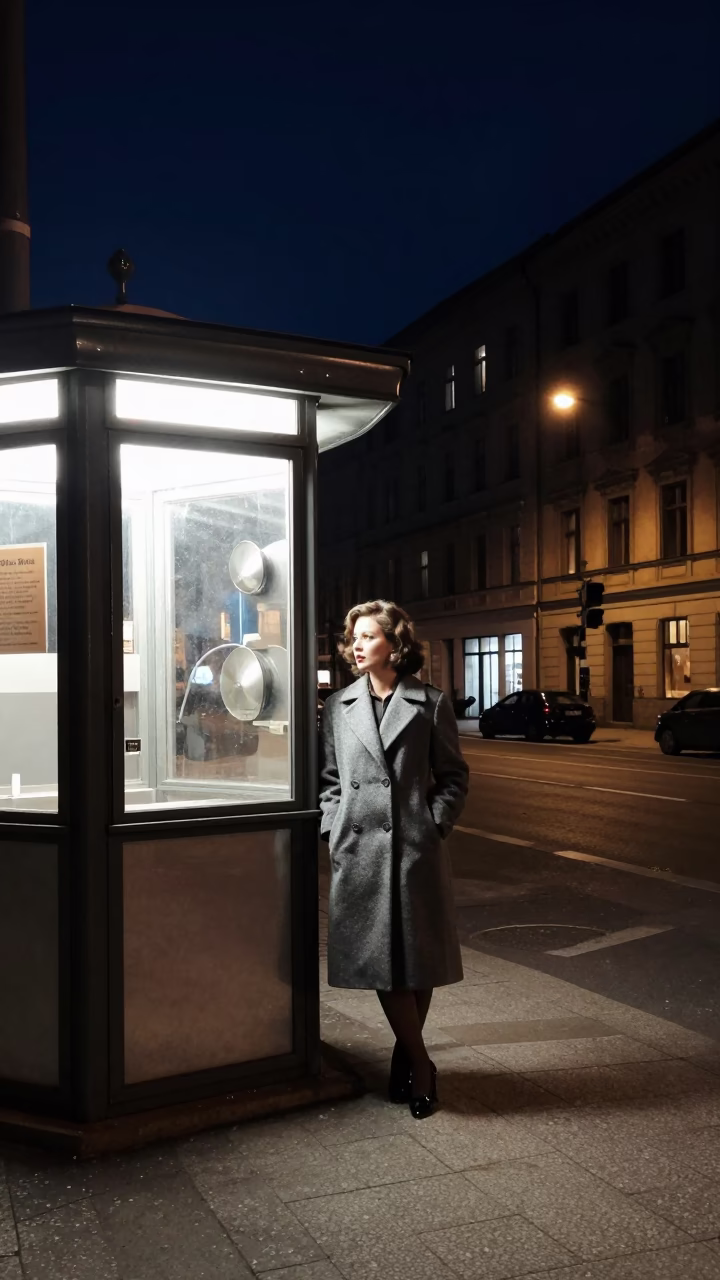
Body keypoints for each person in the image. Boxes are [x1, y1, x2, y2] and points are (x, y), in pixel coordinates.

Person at [319, 599, 469, 1118]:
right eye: (353, 637)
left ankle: (407, 1060)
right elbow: (331, 782)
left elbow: (453, 777)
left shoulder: (429, 703)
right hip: (360, 851)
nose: (356, 646)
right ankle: (421, 1063)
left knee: (416, 961)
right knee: (385, 969)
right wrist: (332, 826)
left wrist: (433, 824)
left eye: (367, 636)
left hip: (413, 851)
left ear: (394, 644)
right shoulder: (338, 706)